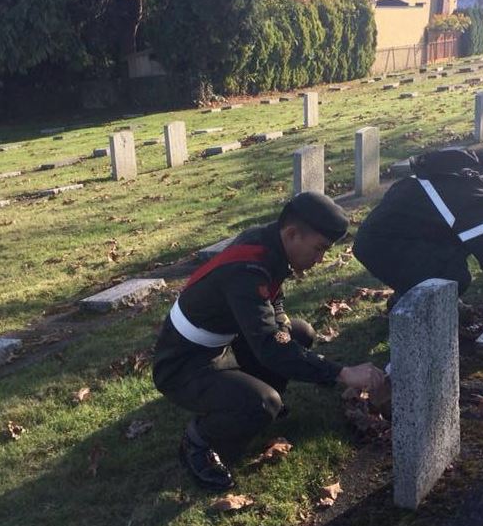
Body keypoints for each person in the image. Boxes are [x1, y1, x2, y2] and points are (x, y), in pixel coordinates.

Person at [153, 192, 385, 490]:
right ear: (292, 234)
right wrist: (341, 373)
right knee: (264, 403)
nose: (320, 259)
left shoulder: (269, 243)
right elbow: (270, 346)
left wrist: (283, 324)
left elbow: (272, 298)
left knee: (300, 333)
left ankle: (251, 400)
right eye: (319, 249)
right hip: (184, 363)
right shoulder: (247, 270)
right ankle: (198, 442)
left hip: (224, 341)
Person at [352, 148, 483, 309]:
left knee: (458, 250)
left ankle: (406, 293)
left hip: (381, 238)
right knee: (455, 277)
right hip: (382, 245)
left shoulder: (457, 173)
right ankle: (412, 308)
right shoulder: (474, 192)